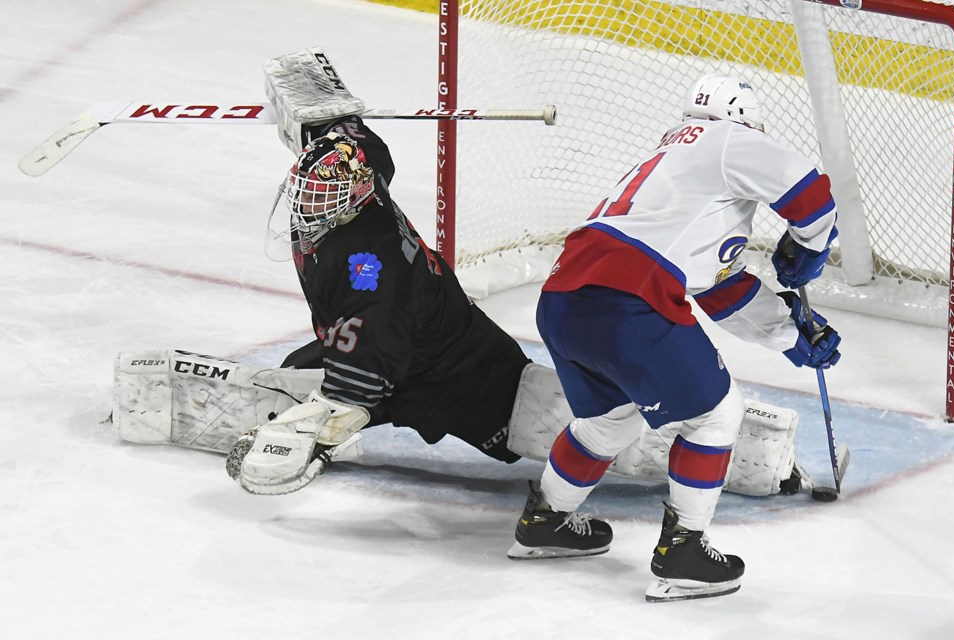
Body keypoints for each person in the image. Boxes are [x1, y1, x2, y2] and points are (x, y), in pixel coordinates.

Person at [112, 51, 813, 500]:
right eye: (311, 187)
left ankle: (756, 454)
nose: (312, 201)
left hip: (476, 388)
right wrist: (316, 107)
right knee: (307, 378)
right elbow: (350, 138)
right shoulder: (352, 188)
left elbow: (368, 375)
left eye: (327, 191)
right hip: (391, 350)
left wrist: (321, 424)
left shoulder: (369, 267)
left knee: (614, 434)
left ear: (355, 197)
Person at [507, 73, 841, 603]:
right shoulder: (728, 140)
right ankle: (684, 552)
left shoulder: (675, 172)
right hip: (627, 303)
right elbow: (811, 194)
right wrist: (811, 246)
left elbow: (714, 288)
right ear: (745, 120)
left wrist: (788, 334)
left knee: (608, 420)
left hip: (563, 300)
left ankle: (545, 521)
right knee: (716, 413)